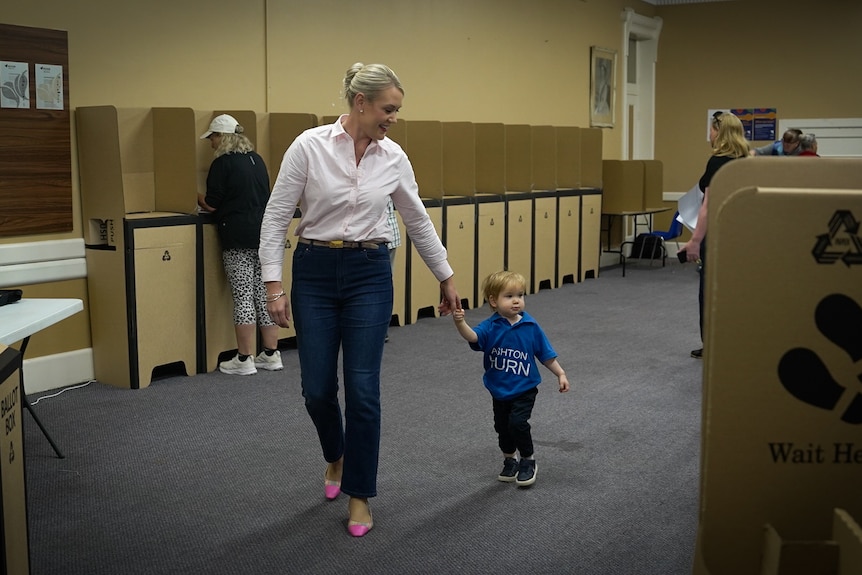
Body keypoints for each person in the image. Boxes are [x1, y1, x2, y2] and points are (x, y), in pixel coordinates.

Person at [258, 63, 460, 537]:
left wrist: (446, 276)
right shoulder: (309, 146)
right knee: (317, 390)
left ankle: (360, 494)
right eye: (389, 109)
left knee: (364, 390)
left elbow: (417, 220)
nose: (394, 118)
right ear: (360, 103)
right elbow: (275, 218)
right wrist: (273, 284)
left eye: (397, 110)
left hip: (370, 273)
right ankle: (336, 456)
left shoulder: (394, 157)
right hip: (315, 272)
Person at [452, 270, 569, 488]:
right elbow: (473, 337)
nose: (516, 301)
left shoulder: (530, 326)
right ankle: (509, 460)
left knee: (518, 423)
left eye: (520, 295)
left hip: (525, 388)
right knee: (502, 427)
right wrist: (460, 322)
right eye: (509, 296)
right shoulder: (491, 326)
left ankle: (528, 460)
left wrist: (560, 373)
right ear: (493, 301)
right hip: (499, 389)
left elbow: (545, 354)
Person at [198, 114, 282, 375]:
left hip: (237, 238)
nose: (211, 143)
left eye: (212, 137)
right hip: (264, 235)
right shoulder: (256, 160)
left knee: (243, 296)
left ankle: (244, 359)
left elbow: (212, 203)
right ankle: (270, 354)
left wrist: (193, 196)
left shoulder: (222, 164)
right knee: (263, 294)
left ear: (222, 137)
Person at [678, 112, 749, 359]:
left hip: (718, 235)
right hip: (742, 236)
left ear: (719, 132)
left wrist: (695, 240)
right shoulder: (747, 161)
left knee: (709, 291)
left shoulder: (717, 162)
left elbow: (707, 205)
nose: (709, 134)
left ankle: (711, 344)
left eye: (711, 129)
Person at [384, 197, 401, 343]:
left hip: (383, 239)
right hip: (391, 234)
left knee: (381, 287)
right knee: (385, 285)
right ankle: (383, 329)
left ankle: (382, 329)